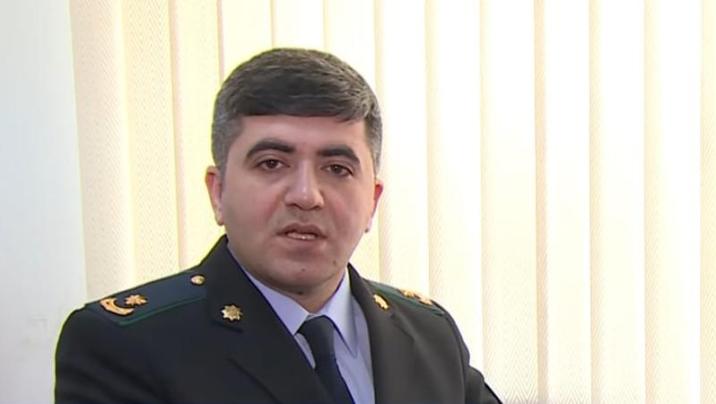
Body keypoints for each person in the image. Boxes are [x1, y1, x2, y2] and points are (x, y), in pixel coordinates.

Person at [55, 48, 502, 404]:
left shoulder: (427, 334)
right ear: (218, 192)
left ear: (372, 201)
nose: (306, 195)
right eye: (272, 163)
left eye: (337, 169)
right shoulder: (126, 344)